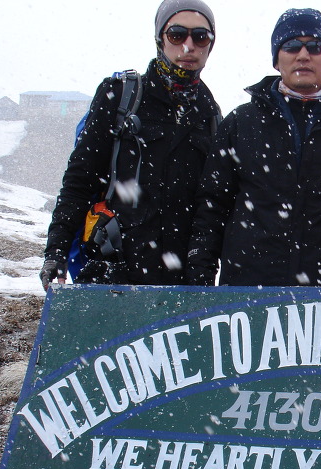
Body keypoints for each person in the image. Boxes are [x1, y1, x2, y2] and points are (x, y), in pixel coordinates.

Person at [40, 0, 222, 289]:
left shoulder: (210, 116)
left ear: (210, 45)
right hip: (111, 272)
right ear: (160, 39)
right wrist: (56, 250)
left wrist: (202, 272)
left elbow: (211, 206)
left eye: (200, 36)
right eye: (176, 34)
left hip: (182, 283)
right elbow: (79, 181)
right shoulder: (121, 95)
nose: (188, 46)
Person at [187, 8, 321, 287]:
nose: (303, 55)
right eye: (291, 45)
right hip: (249, 292)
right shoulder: (240, 123)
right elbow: (211, 207)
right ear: (276, 59)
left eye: (315, 46)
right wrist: (200, 278)